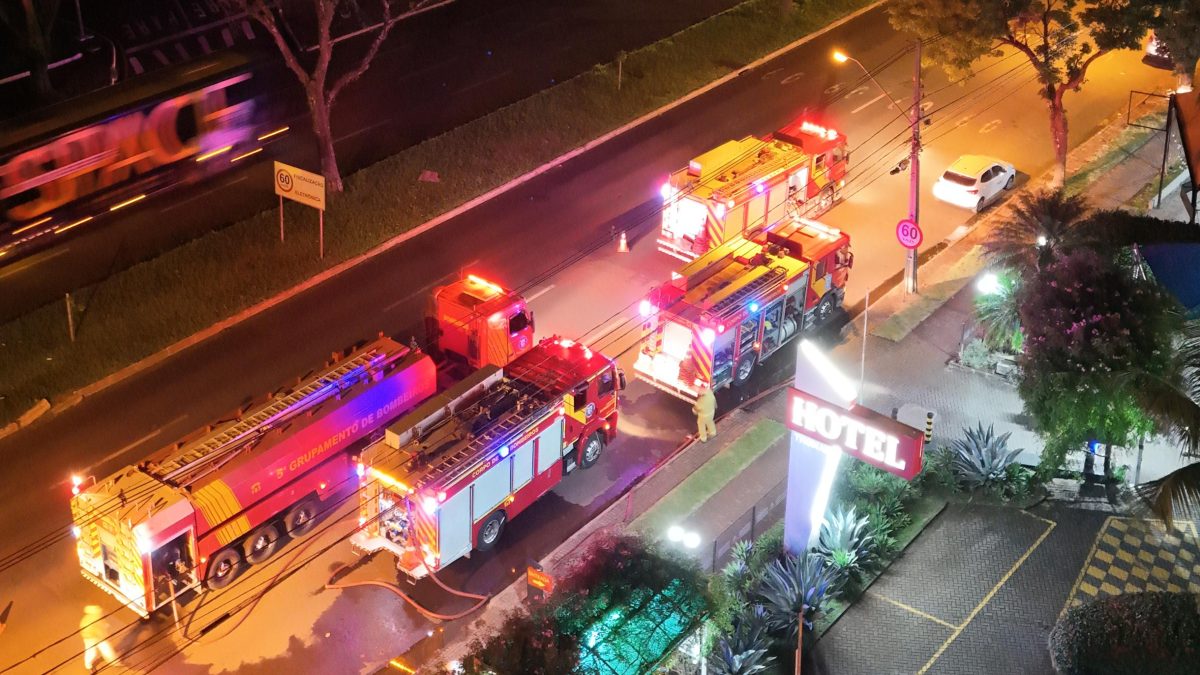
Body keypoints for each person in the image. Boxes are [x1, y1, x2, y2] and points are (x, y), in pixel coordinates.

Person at [80, 605, 118, 672]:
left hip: (94, 637)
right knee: (94, 652)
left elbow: (101, 625)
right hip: (92, 638)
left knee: (104, 650)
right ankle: (114, 662)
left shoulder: (89, 617)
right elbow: (99, 628)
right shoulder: (94, 618)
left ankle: (115, 662)